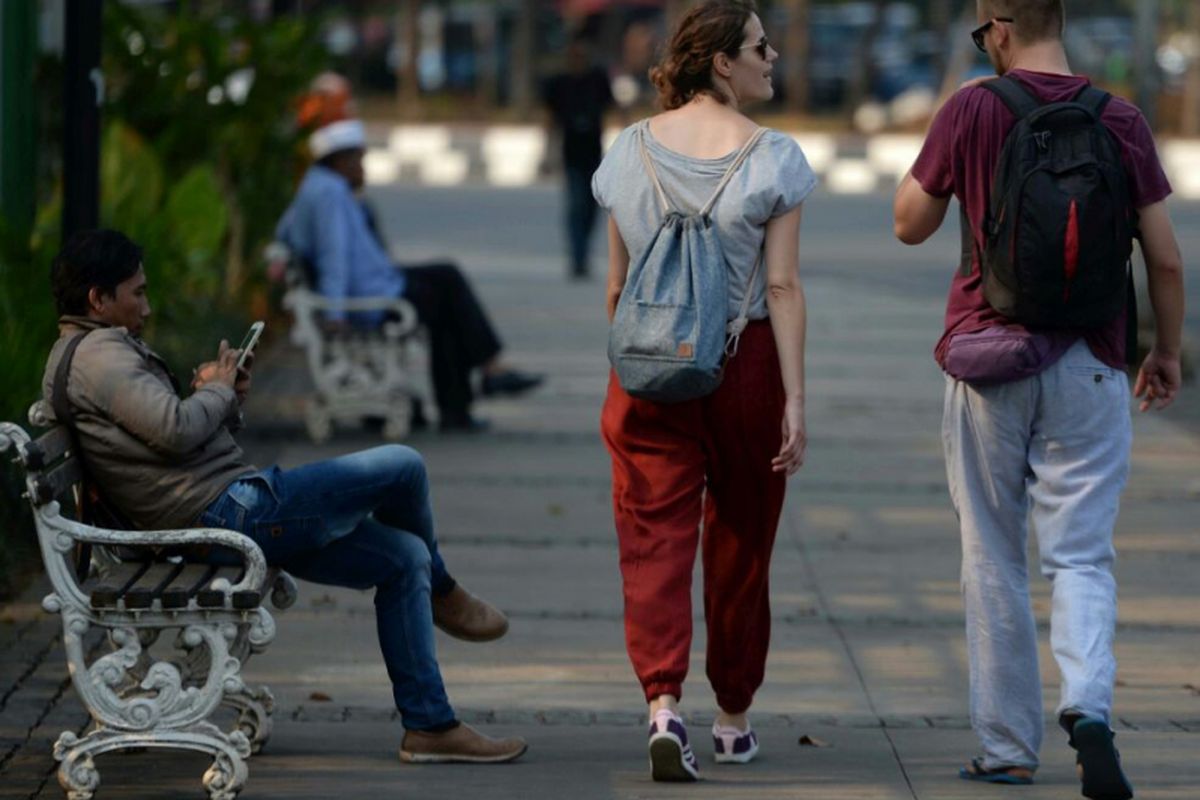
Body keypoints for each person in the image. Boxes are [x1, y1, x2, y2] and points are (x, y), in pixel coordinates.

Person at [42, 229, 529, 765]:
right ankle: (446, 592)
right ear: (97, 299)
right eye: (136, 292)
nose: (147, 305)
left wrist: (222, 394)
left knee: (402, 557)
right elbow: (176, 430)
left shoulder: (99, 351)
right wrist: (217, 391)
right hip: (226, 512)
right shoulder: (98, 357)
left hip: (229, 504)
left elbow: (167, 437)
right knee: (403, 466)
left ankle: (430, 727)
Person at [893, 1, 1185, 796]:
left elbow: (907, 224)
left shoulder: (974, 107)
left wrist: (953, 131)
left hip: (990, 361)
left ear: (997, 26)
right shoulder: (1119, 118)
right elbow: (1164, 259)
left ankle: (1007, 747)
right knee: (1082, 554)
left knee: (992, 553)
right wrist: (1160, 350)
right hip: (1093, 361)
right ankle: (1088, 707)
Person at [592, 0, 815, 782]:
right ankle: (732, 719)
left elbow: (617, 290)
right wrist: (793, 397)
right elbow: (782, 288)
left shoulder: (626, 153)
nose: (772, 57)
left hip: (647, 371)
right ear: (722, 61)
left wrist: (634, 369)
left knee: (652, 538)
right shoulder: (775, 157)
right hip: (744, 364)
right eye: (760, 46)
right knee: (742, 541)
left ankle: (662, 705)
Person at [275, 119, 543, 432]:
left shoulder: (317, 185)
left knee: (446, 283)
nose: (364, 169)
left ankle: (469, 395)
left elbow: (286, 231)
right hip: (373, 299)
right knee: (448, 286)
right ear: (340, 160)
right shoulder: (330, 194)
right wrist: (334, 314)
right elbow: (333, 257)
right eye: (359, 161)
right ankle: (481, 380)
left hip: (379, 284)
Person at [542, 34, 614, 280]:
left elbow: (610, 111)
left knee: (592, 206)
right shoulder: (559, 83)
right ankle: (577, 257)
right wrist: (546, 153)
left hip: (594, 152)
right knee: (575, 205)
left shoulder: (598, 80)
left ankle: (583, 252)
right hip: (570, 152)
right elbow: (550, 121)